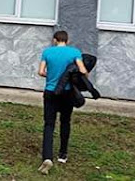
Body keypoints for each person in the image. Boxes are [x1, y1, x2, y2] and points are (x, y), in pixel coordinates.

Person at [37, 31, 88, 175]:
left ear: (54, 40)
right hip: (66, 93)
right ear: (67, 40)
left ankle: (47, 157)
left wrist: (52, 75)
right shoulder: (74, 52)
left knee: (49, 124)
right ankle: (62, 154)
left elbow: (41, 72)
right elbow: (83, 70)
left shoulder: (47, 52)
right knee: (65, 121)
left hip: (50, 92)